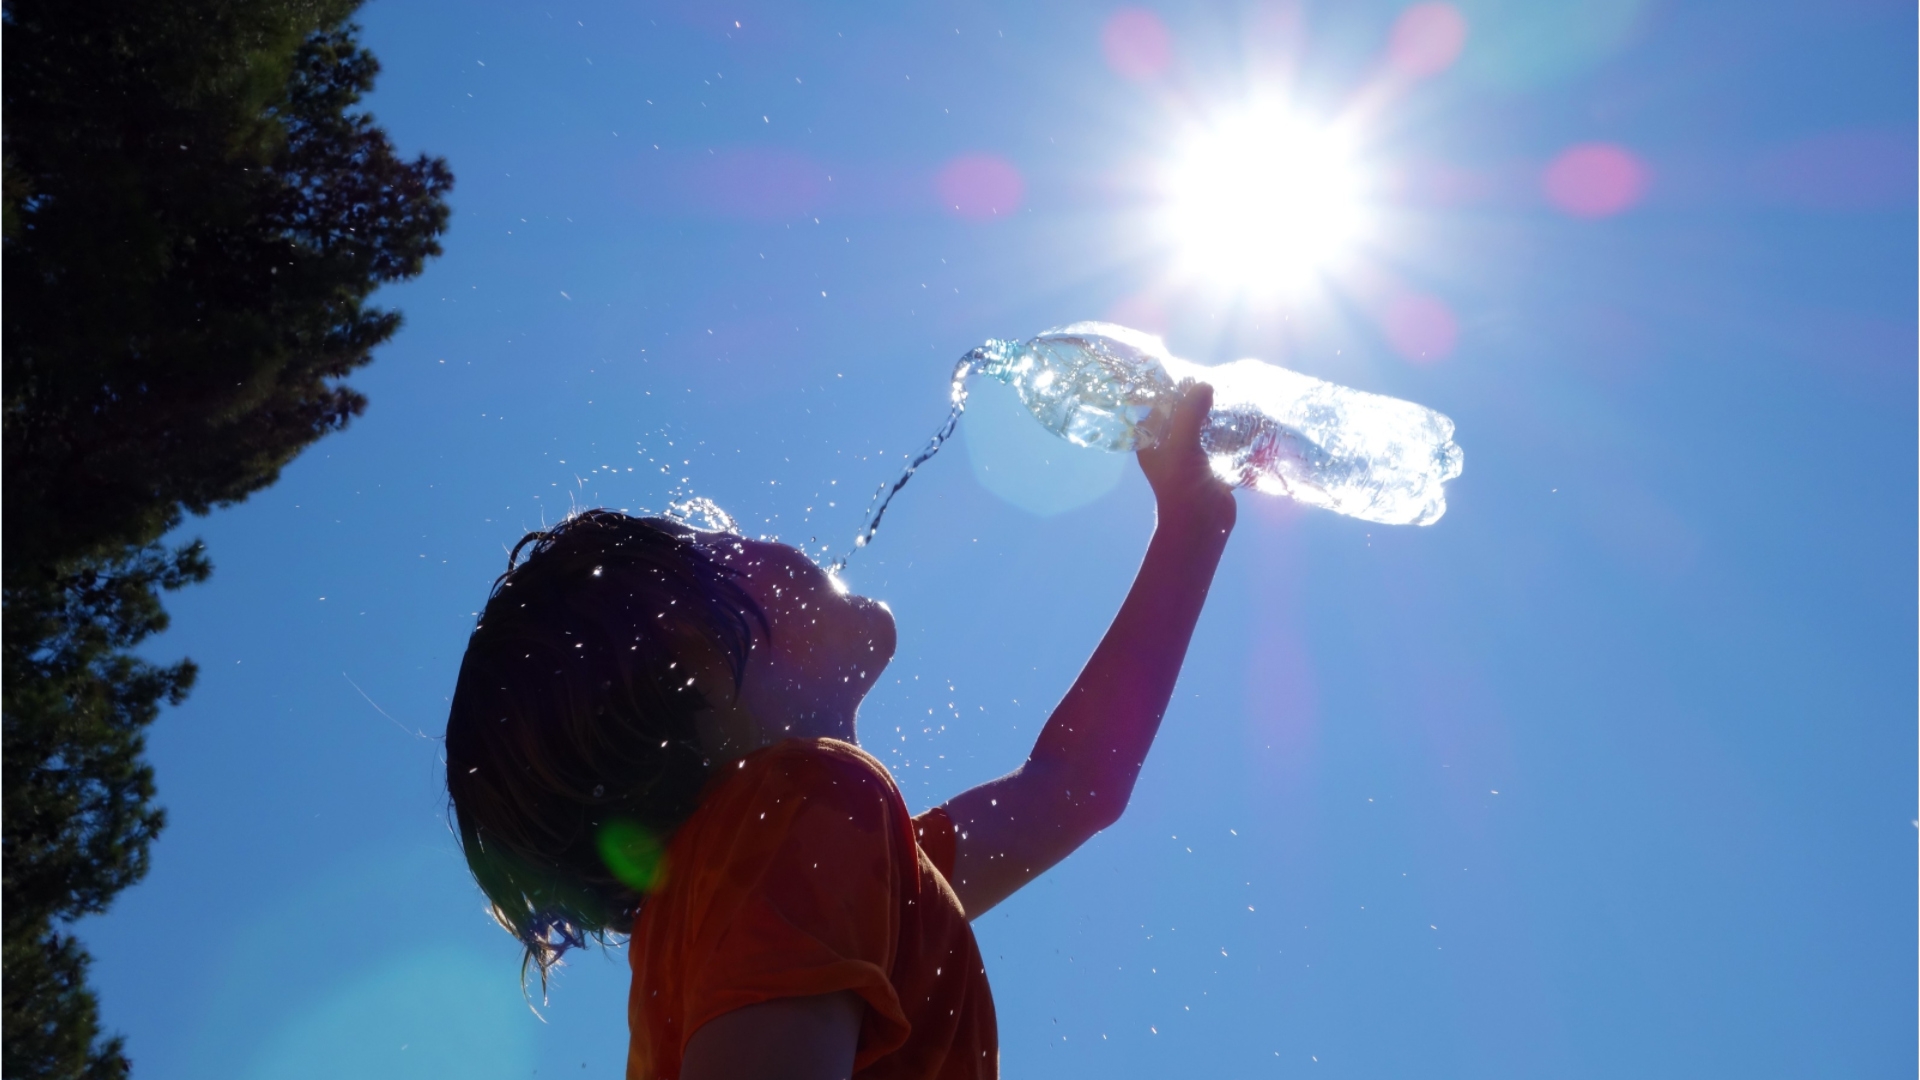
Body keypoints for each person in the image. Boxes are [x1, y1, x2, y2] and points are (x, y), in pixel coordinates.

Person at [444, 384, 1236, 1080]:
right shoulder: (795, 816)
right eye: (721, 549)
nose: (759, 539)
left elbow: (1073, 788)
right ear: (696, 659)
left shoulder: (798, 865)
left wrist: (1191, 527)